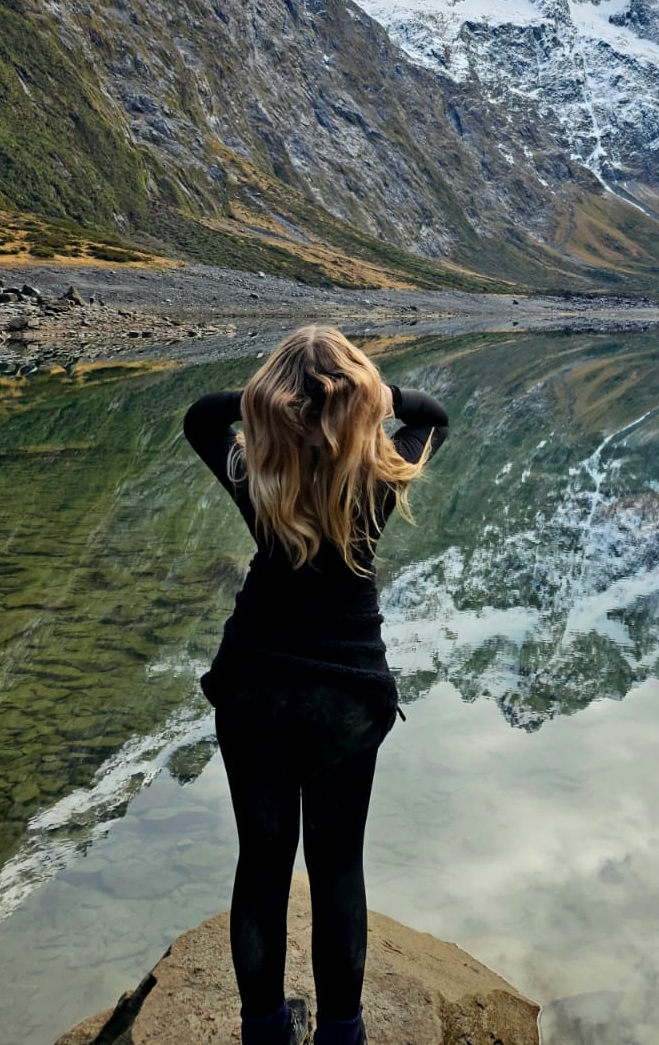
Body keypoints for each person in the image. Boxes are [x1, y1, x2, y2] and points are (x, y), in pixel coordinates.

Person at [183, 324, 450, 1045]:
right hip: (348, 693)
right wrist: (371, 397)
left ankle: (265, 1032)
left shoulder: (252, 472)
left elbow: (201, 416)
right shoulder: (379, 474)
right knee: (338, 866)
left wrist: (271, 402)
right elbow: (433, 416)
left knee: (262, 863)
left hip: (255, 684)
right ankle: (342, 1033)